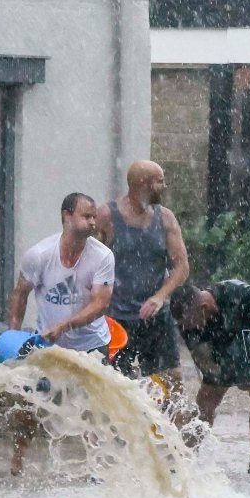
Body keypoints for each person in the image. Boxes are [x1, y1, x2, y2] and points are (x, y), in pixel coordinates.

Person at [5, 192, 115, 475]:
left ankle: (96, 467)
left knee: (94, 406)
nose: (92, 222)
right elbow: (20, 294)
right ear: (67, 217)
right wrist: (12, 336)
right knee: (28, 402)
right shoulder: (39, 255)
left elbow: (100, 304)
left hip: (91, 344)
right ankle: (17, 460)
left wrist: (66, 325)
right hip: (47, 347)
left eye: (94, 217)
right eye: (86, 216)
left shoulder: (102, 256)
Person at [169, 280, 250, 474]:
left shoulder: (237, 294)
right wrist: (233, 374)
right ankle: (187, 458)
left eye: (189, 321)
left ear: (204, 307)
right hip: (220, 353)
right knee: (205, 402)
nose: (186, 327)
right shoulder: (187, 325)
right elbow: (204, 363)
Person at [96, 160, 189, 396]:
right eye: (160, 181)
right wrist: (99, 303)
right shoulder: (107, 216)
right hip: (118, 318)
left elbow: (181, 266)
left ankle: (166, 430)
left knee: (172, 381)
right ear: (142, 184)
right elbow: (90, 264)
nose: (164, 186)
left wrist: (160, 297)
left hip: (156, 318)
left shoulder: (165, 218)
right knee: (117, 386)